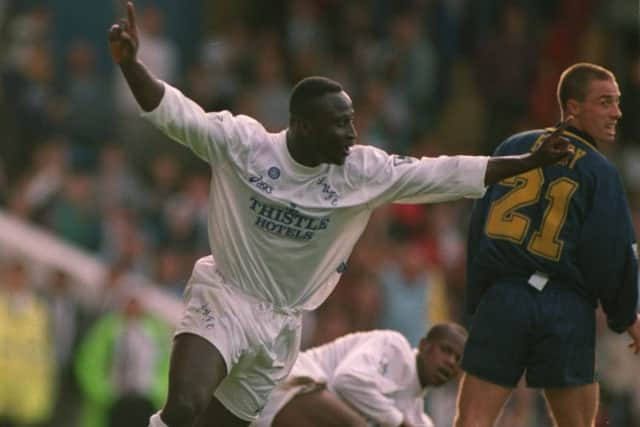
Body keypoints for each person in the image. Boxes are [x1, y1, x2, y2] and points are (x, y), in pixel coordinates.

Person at [108, 3, 572, 426]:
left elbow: (443, 173)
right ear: (305, 127)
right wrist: (131, 65)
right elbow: (176, 114)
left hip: (283, 326)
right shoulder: (244, 144)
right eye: (341, 123)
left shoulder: (361, 172)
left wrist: (529, 162)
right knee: (184, 406)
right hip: (226, 295)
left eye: (352, 120)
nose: (353, 132)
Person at [454, 62, 640, 427]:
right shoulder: (601, 172)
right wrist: (627, 317)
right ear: (572, 108)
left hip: (504, 298)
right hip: (565, 306)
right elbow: (610, 255)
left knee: (472, 421)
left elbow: (478, 229)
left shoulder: (513, 145)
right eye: (605, 102)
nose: (616, 112)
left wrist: (477, 299)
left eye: (616, 102)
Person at [251, 324, 467, 427]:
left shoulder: (420, 419)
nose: (450, 362)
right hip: (284, 388)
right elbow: (346, 381)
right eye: (446, 350)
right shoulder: (394, 345)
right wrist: (398, 422)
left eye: (458, 360)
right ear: (424, 346)